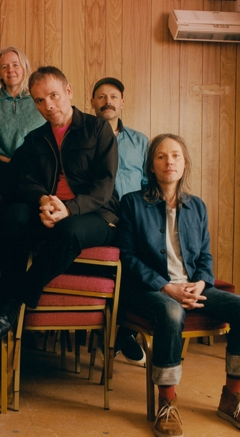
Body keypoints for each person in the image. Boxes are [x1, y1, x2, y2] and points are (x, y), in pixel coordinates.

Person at [117, 133, 240, 437]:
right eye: (161, 156)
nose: (169, 161)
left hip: (193, 287)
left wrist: (200, 283)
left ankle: (233, 399)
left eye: (176, 156)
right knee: (171, 313)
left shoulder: (196, 206)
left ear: (185, 164)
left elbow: (205, 257)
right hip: (150, 291)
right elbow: (127, 257)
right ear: (151, 165)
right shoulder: (132, 203)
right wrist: (166, 287)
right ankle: (167, 403)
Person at [0, 66, 121, 339]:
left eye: (53, 95)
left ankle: (13, 301)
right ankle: (1, 296)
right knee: (14, 217)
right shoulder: (35, 139)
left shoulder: (98, 129)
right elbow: (23, 179)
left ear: (68, 91)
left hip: (97, 215)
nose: (48, 105)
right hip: (49, 210)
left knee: (68, 230)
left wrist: (69, 209)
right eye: (39, 100)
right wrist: (44, 199)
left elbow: (104, 186)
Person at [90, 77, 149, 367]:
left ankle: (123, 333)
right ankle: (105, 331)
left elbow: (149, 185)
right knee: (116, 266)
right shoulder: (83, 139)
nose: (107, 102)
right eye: (101, 97)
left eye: (113, 96)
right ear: (92, 103)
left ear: (122, 102)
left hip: (134, 219)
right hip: (99, 219)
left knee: (149, 263)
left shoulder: (140, 142)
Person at [0, 46, 45, 201]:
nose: (10, 70)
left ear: (24, 68)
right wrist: (1, 158)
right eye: (4, 67)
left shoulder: (39, 101)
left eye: (15, 65)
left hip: (34, 173)